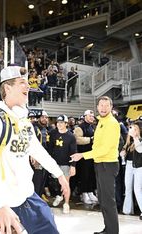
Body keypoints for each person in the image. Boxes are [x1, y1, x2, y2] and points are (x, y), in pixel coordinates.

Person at [0, 65, 69, 234]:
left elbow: (37, 150)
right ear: (7, 88)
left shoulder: (22, 120)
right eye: (22, 83)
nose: (28, 86)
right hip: (3, 203)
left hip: (27, 196)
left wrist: (59, 174)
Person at [70, 96, 120, 234]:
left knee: (108, 201)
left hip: (107, 164)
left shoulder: (112, 123)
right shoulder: (101, 122)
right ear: (97, 107)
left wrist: (82, 155)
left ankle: (112, 232)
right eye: (101, 105)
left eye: (106, 105)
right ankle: (108, 229)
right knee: (103, 201)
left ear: (111, 107)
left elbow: (105, 149)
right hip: (100, 163)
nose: (103, 108)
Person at [48, 115, 77, 214]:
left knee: (66, 184)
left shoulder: (71, 136)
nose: (59, 124)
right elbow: (50, 149)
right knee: (56, 183)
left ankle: (66, 203)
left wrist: (73, 166)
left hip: (66, 164)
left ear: (66, 124)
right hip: (55, 163)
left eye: (61, 122)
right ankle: (59, 196)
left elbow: (74, 152)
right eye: (58, 122)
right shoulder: (53, 133)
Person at [74, 110, 98, 204]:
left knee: (91, 174)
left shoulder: (92, 127)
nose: (92, 117)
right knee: (84, 175)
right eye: (90, 116)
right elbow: (77, 139)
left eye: (93, 116)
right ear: (85, 117)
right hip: (83, 155)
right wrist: (90, 140)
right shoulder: (79, 128)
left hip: (91, 154)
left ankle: (90, 191)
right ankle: (84, 193)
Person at [121, 120, 142, 221]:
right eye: (131, 128)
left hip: (139, 167)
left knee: (137, 189)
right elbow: (126, 148)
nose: (132, 130)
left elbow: (140, 150)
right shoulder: (129, 139)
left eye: (135, 128)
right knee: (127, 188)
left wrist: (135, 136)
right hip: (129, 165)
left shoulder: (139, 139)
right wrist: (123, 152)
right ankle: (127, 210)